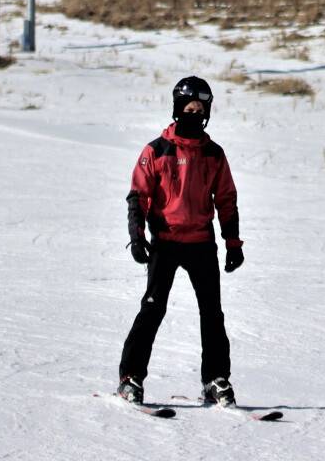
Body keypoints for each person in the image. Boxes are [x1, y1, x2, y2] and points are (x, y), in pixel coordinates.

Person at [117, 76, 246, 407]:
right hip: (165, 241)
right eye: (189, 108)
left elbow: (226, 199)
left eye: (201, 109)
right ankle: (130, 378)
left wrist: (233, 244)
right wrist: (137, 238)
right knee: (152, 309)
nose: (195, 114)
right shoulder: (157, 151)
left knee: (212, 313)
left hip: (201, 242)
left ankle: (215, 380)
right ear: (177, 109)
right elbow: (138, 195)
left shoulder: (213, 154)